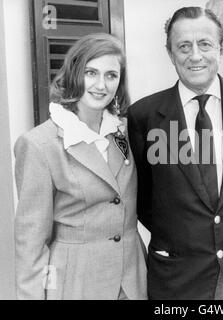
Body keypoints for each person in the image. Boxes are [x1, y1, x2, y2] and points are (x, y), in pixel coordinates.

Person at [127, 7, 223, 299]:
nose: (195, 55)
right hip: (178, 281)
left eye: (205, 44)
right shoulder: (143, 116)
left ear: (221, 47)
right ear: (170, 53)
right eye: (183, 46)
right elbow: (145, 200)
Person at [14, 33, 147, 300]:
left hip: (132, 282)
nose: (101, 85)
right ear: (74, 73)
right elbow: (31, 242)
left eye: (111, 75)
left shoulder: (124, 132)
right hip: (75, 283)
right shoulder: (39, 144)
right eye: (91, 72)